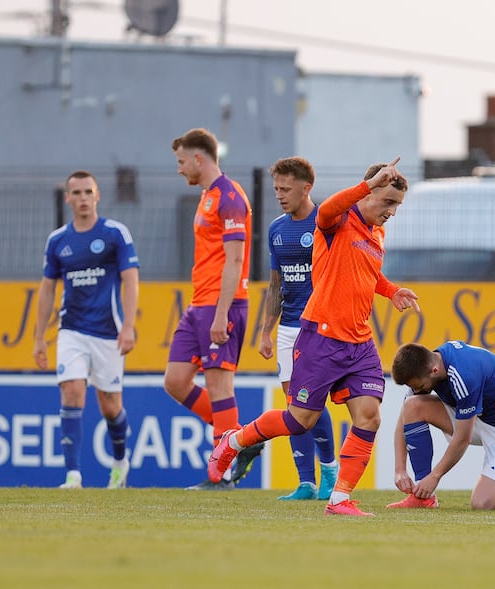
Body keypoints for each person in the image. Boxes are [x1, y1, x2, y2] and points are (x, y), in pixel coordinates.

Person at [209, 157, 420, 517]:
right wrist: (368, 185)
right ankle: (235, 439)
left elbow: (368, 274)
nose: (392, 212)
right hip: (320, 337)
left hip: (359, 341)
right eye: (387, 202)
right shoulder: (335, 220)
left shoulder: (376, 235)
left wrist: (391, 290)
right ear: (367, 193)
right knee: (299, 420)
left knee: (369, 416)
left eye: (397, 205)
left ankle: (340, 499)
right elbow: (333, 206)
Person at [165, 127, 262, 490]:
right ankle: (240, 440)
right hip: (198, 304)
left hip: (222, 306)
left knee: (219, 386)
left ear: (198, 158)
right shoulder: (206, 196)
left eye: (180, 161)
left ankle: (219, 473)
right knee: (175, 381)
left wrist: (221, 314)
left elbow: (235, 262)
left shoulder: (231, 197)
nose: (179, 169)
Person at [33, 170, 140, 489]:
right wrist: (39, 336)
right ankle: (73, 476)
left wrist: (129, 326)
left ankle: (120, 462)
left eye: (87, 192)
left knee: (110, 406)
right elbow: (48, 289)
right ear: (68, 198)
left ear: (97, 195)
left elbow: (130, 279)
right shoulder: (58, 241)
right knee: (72, 392)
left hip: (108, 331)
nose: (82, 198)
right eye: (76, 193)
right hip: (72, 330)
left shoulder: (114, 233)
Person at [387, 340, 495, 511]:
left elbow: (462, 439)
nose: (418, 390)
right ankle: (423, 498)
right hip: (479, 416)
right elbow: (405, 415)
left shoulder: (464, 376)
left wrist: (435, 476)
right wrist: (400, 469)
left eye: (420, 386)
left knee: (483, 504)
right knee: (413, 405)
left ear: (434, 371)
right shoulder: (430, 365)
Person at [258, 156, 337, 501]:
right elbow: (276, 284)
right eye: (276, 188)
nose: (279, 194)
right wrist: (265, 331)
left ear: (306, 188)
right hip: (288, 328)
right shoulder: (277, 229)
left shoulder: (325, 224)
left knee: (311, 404)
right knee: (294, 406)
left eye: (285, 188)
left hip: (319, 326)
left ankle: (330, 472)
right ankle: (306, 482)